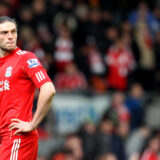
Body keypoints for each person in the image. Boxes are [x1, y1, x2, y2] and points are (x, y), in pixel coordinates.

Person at [0, 16, 56, 160]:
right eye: (5, 33)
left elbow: (48, 89)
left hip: (18, 137)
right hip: (4, 140)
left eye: (13, 32)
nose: (11, 36)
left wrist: (33, 124)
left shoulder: (25, 58)